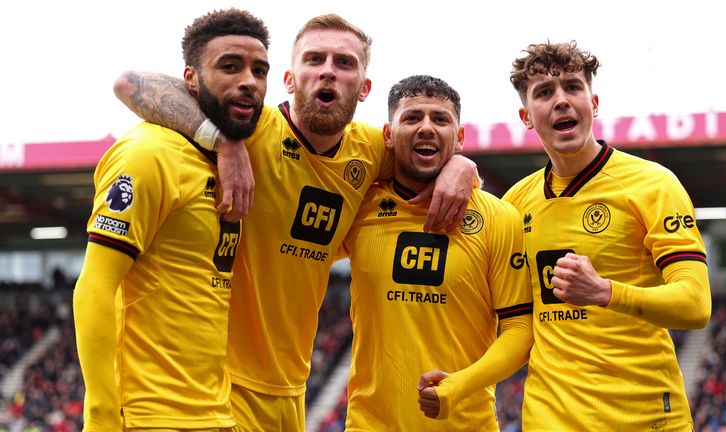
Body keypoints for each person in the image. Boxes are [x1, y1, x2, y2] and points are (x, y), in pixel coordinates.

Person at [112, 14, 478, 432]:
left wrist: (462, 166)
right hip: (219, 386)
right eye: (314, 59)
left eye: (344, 63)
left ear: (363, 88)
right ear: (289, 78)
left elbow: (426, 152)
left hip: (292, 390)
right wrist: (225, 141)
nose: (327, 70)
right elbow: (128, 83)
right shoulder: (251, 129)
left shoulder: (373, 150)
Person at [73, 9, 269, 430]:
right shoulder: (148, 154)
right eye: (229, 66)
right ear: (190, 79)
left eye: (259, 69)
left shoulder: (234, 156)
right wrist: (103, 417)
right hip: (148, 416)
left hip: (217, 416)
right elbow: (94, 287)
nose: (249, 81)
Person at [501, 40, 712, 431]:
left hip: (645, 416)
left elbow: (696, 305)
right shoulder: (515, 203)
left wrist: (605, 292)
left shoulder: (654, 184)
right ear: (526, 116)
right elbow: (512, 321)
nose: (561, 100)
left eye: (573, 87)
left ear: (593, 103)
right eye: (544, 92)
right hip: (549, 419)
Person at [340, 74, 533, 431]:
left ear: (459, 138)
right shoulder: (359, 205)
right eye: (412, 118)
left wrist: (460, 385)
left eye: (440, 119)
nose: (427, 127)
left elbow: (520, 329)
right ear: (388, 135)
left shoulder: (500, 217)